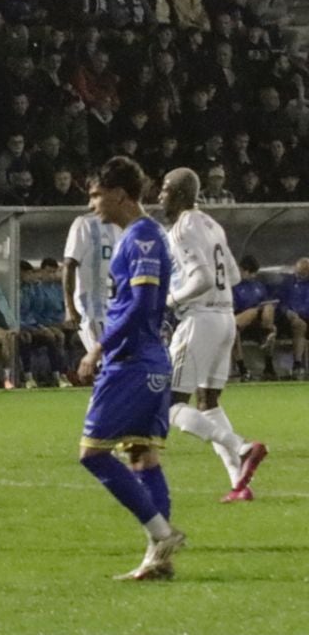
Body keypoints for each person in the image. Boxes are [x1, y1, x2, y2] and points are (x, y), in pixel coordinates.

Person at [76, 157, 185, 582]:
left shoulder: (141, 238)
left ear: (120, 195)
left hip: (134, 362)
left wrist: (99, 347)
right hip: (151, 360)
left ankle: (162, 534)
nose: (92, 204)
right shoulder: (143, 235)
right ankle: (159, 562)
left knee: (92, 454)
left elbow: (140, 304)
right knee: (141, 454)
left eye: (96, 195)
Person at [159, 167, 267, 501]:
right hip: (224, 317)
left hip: (200, 319)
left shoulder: (180, 229)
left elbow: (202, 279)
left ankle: (242, 446)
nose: (159, 196)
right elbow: (232, 275)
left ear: (178, 194)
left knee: (172, 406)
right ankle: (239, 483)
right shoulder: (211, 223)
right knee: (208, 402)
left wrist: (170, 300)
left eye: (164, 189)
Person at [61, 203, 116, 374]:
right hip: (91, 306)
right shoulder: (84, 224)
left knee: (116, 359)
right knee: (105, 359)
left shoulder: (122, 225)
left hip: (115, 304)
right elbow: (69, 264)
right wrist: (69, 307)